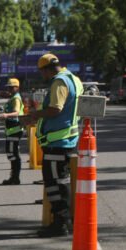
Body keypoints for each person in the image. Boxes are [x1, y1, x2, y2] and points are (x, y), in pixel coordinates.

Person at [22, 53, 83, 237]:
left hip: (57, 142)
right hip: (66, 140)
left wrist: (35, 114)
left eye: (42, 73)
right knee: (60, 181)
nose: (43, 77)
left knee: (55, 183)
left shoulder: (59, 82)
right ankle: (64, 219)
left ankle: (60, 223)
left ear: (46, 70)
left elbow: (56, 109)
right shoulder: (75, 79)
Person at [0, 78, 25, 185]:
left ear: (17, 87)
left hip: (15, 130)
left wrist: (6, 115)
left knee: (13, 154)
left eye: (11, 87)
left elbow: (16, 112)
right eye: (9, 87)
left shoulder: (16, 99)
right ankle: (14, 177)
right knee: (12, 154)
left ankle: (15, 178)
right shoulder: (13, 98)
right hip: (12, 130)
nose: (9, 89)